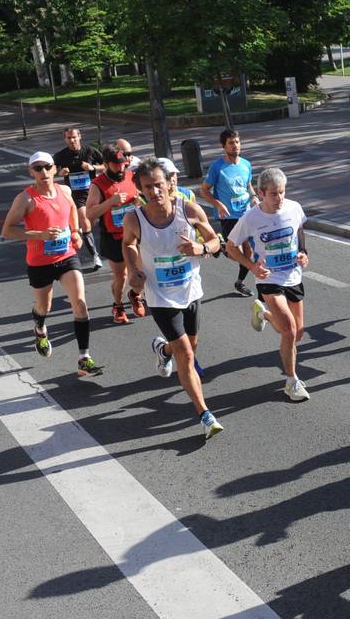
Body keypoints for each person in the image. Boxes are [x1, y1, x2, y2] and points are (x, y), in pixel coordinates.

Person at [123, 158, 224, 440]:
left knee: (190, 345)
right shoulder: (134, 218)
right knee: (187, 355)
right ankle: (205, 414)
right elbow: (128, 243)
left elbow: (215, 241)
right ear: (140, 189)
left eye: (158, 184)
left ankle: (163, 350)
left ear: (169, 184)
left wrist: (201, 248)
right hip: (160, 296)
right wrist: (134, 270)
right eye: (147, 187)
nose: (154, 191)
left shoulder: (188, 209)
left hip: (190, 290)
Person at [0, 152, 103, 379]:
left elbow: (72, 210)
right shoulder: (25, 199)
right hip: (40, 262)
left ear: (55, 168)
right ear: (31, 172)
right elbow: (7, 230)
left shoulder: (64, 191)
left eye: (47, 167)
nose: (43, 172)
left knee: (80, 304)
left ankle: (84, 358)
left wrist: (75, 232)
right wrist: (40, 235)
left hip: (67, 256)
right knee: (44, 307)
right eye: (38, 168)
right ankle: (39, 328)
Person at [226, 168, 312, 402]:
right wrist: (252, 267)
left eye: (282, 192)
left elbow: (299, 229)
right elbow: (230, 246)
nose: (279, 197)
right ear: (262, 193)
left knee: (298, 334)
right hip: (268, 279)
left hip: (293, 276)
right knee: (289, 331)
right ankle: (291, 381)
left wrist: (303, 252)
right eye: (273, 193)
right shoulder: (251, 218)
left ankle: (263, 313)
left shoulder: (294, 208)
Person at [86, 147, 145, 324]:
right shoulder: (98, 184)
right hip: (113, 237)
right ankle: (118, 305)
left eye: (123, 164)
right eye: (116, 165)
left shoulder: (131, 177)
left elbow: (143, 200)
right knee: (122, 276)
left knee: (142, 272)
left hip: (135, 234)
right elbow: (90, 213)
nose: (121, 168)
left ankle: (135, 295)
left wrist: (140, 201)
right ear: (106, 164)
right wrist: (110, 202)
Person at [201, 129, 257, 297]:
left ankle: (239, 283)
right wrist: (218, 204)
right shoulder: (217, 167)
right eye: (231, 143)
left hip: (246, 213)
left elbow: (248, 185)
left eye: (237, 142)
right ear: (224, 146)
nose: (235, 146)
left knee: (249, 253)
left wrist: (254, 196)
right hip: (228, 216)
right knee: (235, 252)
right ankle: (221, 247)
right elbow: (204, 190)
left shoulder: (246, 164)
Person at [54, 127, 104, 270]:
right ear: (65, 139)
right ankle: (95, 255)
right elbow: (51, 169)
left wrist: (93, 167)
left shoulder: (90, 151)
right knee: (85, 221)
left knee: (93, 221)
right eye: (69, 138)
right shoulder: (61, 155)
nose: (72, 140)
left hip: (94, 192)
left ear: (79, 137)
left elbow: (106, 165)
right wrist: (60, 172)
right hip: (76, 195)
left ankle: (83, 231)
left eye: (74, 137)